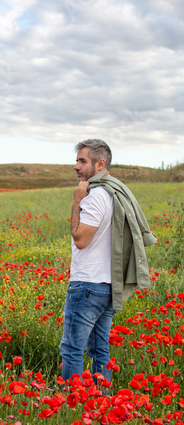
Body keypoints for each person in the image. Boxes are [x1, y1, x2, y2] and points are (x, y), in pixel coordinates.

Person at [59, 139, 157, 389]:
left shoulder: (94, 196)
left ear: (100, 163)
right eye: (77, 160)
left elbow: (81, 240)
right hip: (108, 284)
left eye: (82, 161)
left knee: (72, 349)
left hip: (87, 284)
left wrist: (76, 201)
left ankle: (74, 405)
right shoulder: (116, 193)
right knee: (100, 350)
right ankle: (102, 402)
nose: (76, 167)